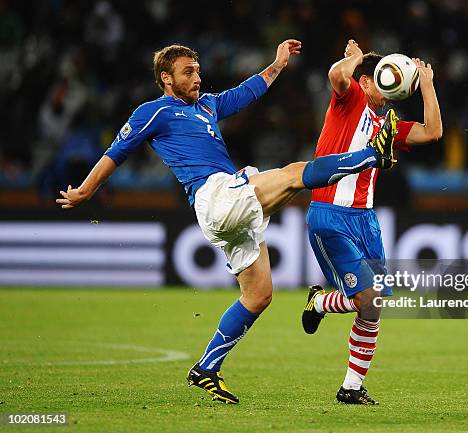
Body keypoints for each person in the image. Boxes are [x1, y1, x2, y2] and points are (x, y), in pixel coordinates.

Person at [56, 40, 399, 404]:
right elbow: (116, 152)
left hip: (229, 207)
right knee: (295, 174)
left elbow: (244, 93)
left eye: (198, 70)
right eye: (188, 72)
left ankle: (205, 368)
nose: (197, 77)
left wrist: (278, 64)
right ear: (166, 78)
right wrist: (86, 190)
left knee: (258, 295)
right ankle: (371, 155)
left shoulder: (206, 105)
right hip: (216, 195)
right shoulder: (154, 112)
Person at [301, 40, 442, 405]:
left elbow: (432, 132)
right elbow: (336, 74)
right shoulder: (348, 100)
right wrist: (357, 59)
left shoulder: (389, 126)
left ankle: (350, 385)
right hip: (330, 213)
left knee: (372, 305)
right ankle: (323, 311)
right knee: (369, 296)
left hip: (366, 219)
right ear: (365, 81)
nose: (388, 87)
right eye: (380, 78)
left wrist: (426, 84)